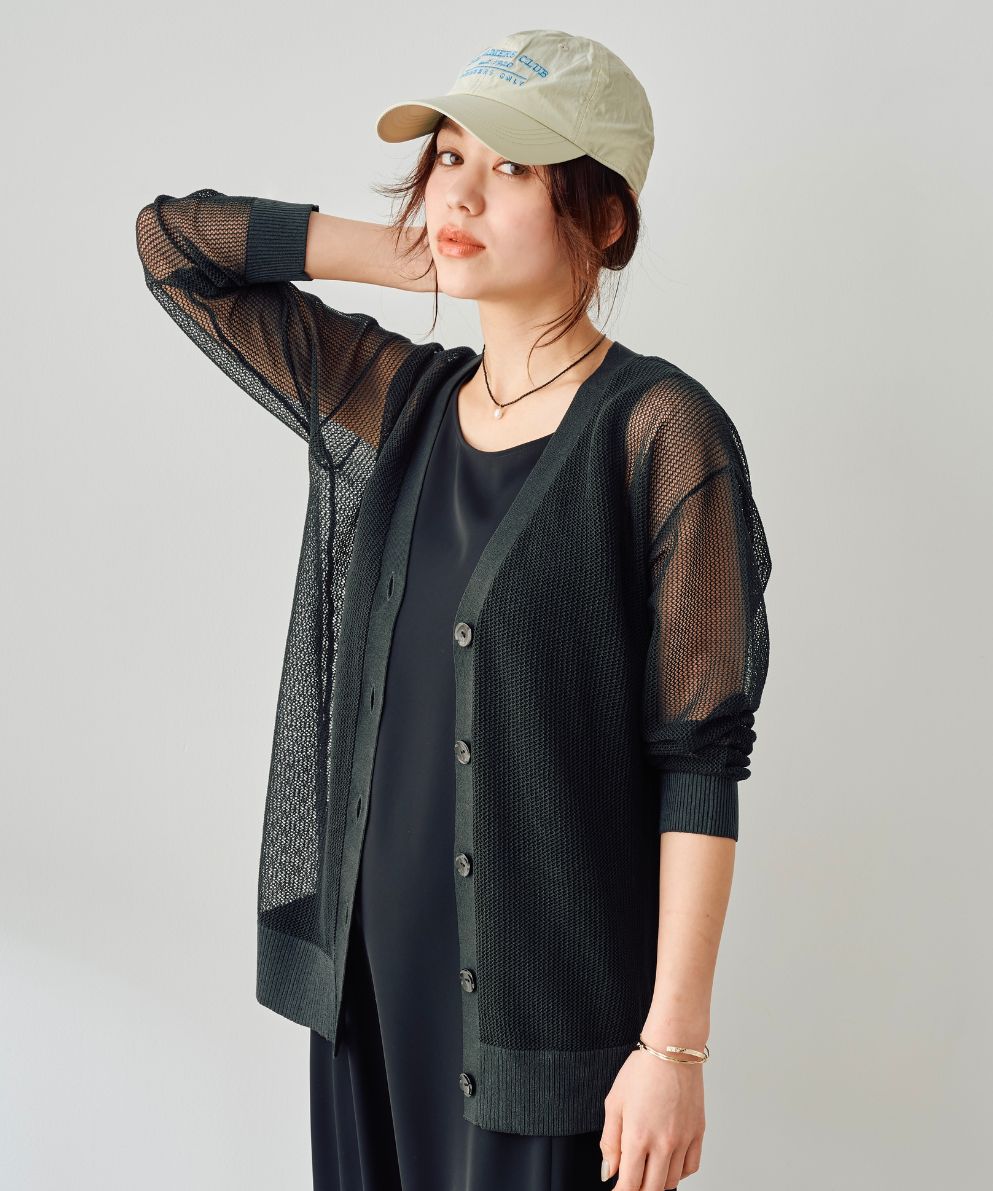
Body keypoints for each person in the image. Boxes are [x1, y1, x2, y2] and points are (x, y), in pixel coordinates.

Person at [135, 28, 772, 1191]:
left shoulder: (658, 433)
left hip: (546, 1030)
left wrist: (672, 1048)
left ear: (605, 216)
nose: (460, 192)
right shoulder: (399, 405)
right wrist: (417, 254)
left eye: (513, 167)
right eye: (447, 158)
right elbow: (175, 245)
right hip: (370, 1001)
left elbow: (701, 760)